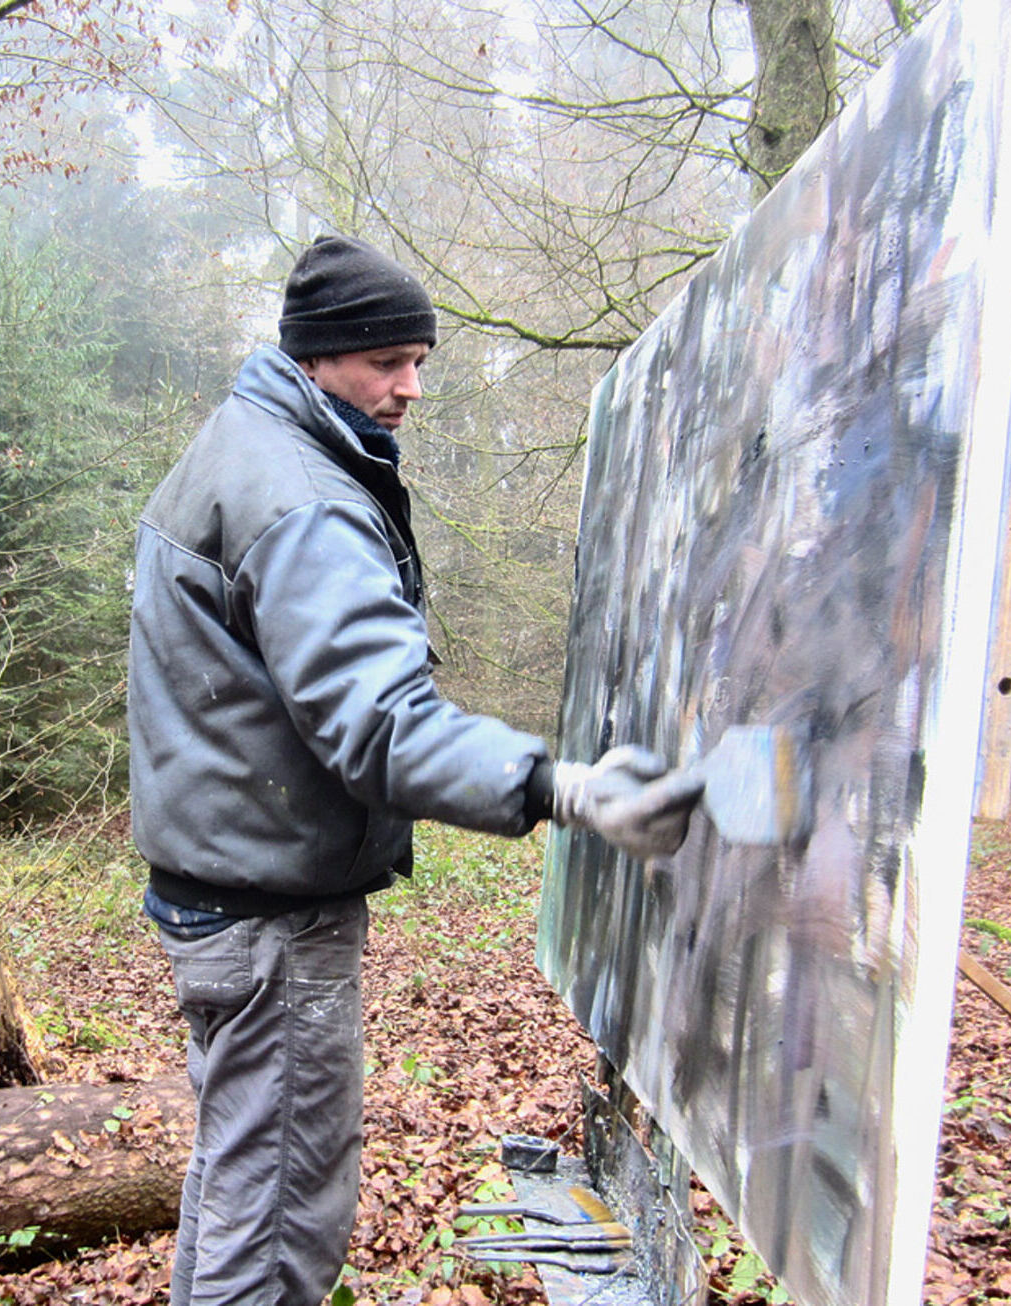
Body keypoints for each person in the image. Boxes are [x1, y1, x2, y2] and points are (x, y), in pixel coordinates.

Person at [127, 233, 704, 1305]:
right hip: (269, 922)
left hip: (214, 897)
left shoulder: (241, 443)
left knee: (237, 1181)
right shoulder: (304, 501)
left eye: (420, 360)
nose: (411, 387)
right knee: (278, 1222)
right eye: (386, 361)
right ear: (316, 355)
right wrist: (561, 787)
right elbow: (382, 725)